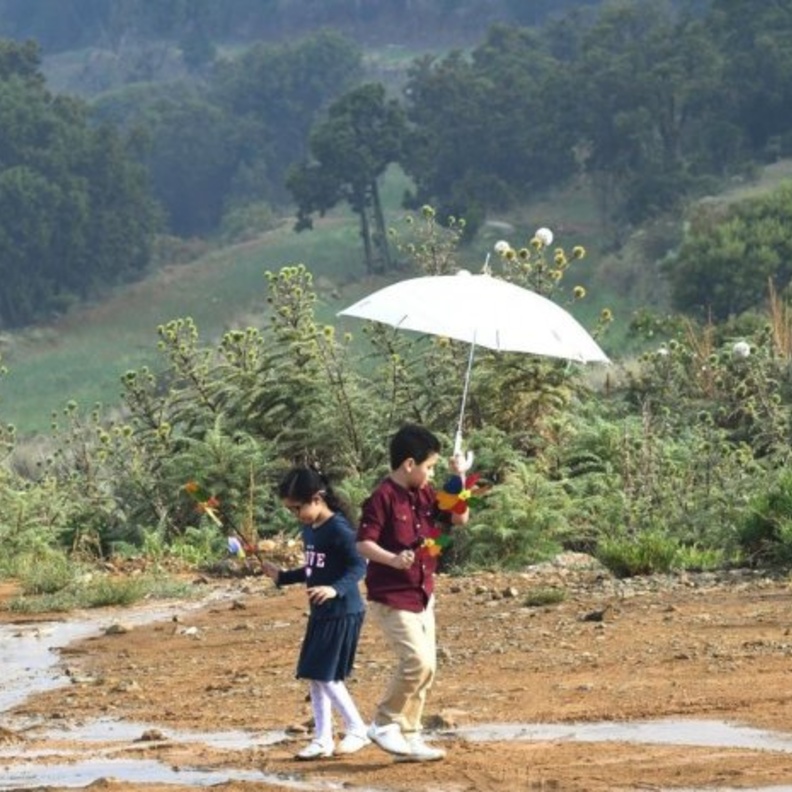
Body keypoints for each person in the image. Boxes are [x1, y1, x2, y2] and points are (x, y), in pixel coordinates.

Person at [356, 424, 470, 762]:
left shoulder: (425, 493)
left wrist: (458, 477)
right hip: (392, 596)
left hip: (423, 593)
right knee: (416, 662)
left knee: (428, 668)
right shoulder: (382, 498)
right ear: (409, 464)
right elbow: (363, 543)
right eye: (429, 466)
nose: (430, 472)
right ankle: (383, 722)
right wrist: (392, 558)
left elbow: (460, 518)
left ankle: (409, 736)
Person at [260, 466, 370, 760]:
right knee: (314, 675)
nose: (296, 515)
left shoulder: (340, 530)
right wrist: (282, 576)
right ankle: (322, 739)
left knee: (326, 674)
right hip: (322, 613)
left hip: (343, 611)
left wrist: (335, 589)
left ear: (317, 498)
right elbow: (313, 568)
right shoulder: (310, 529)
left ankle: (357, 728)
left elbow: (360, 566)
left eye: (298, 508)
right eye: (291, 510)